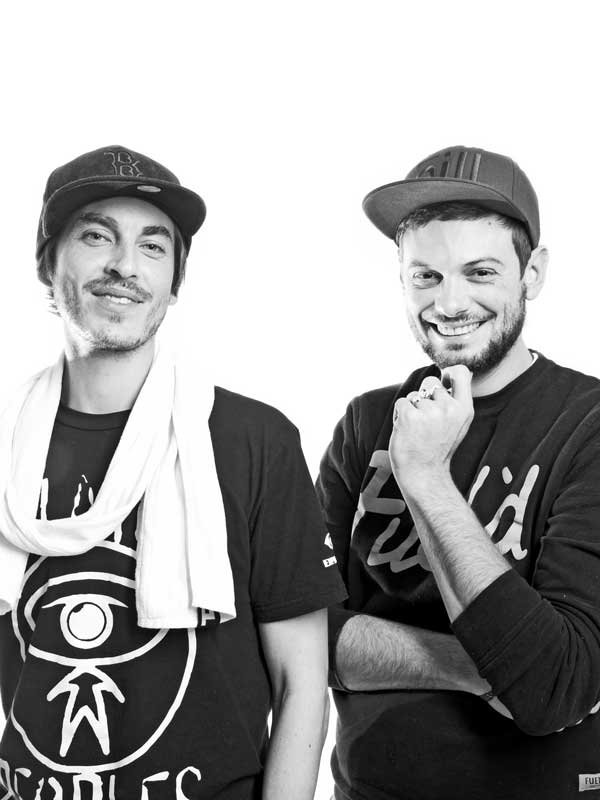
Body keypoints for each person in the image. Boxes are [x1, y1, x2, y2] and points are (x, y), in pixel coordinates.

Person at [0, 145, 346, 800]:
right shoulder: (3, 443)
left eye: (153, 247)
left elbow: (301, 683)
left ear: (174, 282)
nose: (124, 265)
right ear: (47, 261)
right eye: (97, 236)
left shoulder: (253, 441)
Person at [317, 145, 600, 799]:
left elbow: (556, 686)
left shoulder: (586, 426)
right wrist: (476, 667)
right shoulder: (366, 422)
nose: (448, 303)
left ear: (532, 273)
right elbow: (301, 639)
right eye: (426, 276)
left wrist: (425, 476)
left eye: (480, 272)